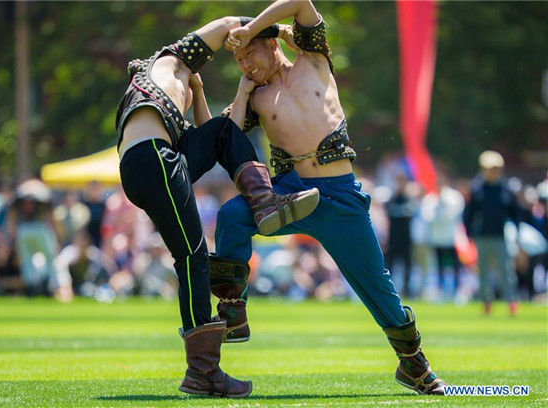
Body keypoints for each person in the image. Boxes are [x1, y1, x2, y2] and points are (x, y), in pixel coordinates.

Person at [218, 0, 446, 395]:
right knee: (230, 216)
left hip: (341, 198)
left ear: (272, 43)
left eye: (248, 52)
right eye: (237, 60)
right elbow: (229, 143)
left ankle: (414, 365)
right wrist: (242, 88)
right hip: (289, 196)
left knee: (377, 286)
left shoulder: (314, 58)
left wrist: (249, 25)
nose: (244, 64)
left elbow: (300, 2)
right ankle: (234, 310)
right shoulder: (255, 97)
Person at [115, 15, 320, 398]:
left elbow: (215, 136)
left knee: (223, 135)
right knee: (192, 260)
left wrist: (200, 91)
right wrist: (277, 29)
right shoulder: (173, 59)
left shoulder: (159, 94)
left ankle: (263, 202)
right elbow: (229, 22)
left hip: (149, 165)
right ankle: (203, 373)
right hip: (154, 161)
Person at [464, 150, 520, 315]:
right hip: (481, 238)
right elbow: (468, 215)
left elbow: (515, 214)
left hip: (501, 237)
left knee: (506, 271)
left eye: (495, 168)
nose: (492, 171)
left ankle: (511, 301)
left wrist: (517, 234)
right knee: (483, 273)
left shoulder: (506, 189)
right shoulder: (477, 189)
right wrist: (469, 235)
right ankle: (486, 302)